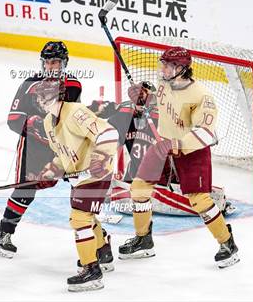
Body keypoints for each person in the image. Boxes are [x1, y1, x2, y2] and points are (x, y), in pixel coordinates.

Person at [118, 47, 240, 268]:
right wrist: (145, 98)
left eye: (167, 65)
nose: (161, 68)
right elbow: (160, 103)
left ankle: (227, 243)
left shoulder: (202, 96)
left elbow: (205, 132)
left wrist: (181, 144)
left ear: (181, 69)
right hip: (163, 144)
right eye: (162, 64)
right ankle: (143, 239)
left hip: (192, 151)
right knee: (138, 188)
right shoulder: (165, 83)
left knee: (199, 201)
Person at [0, 41, 82, 258]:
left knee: (80, 186)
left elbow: (74, 117)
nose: (52, 66)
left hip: (62, 147)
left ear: (65, 63)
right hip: (34, 147)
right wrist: (35, 125)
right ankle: (3, 235)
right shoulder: (29, 84)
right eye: (48, 62)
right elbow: (13, 119)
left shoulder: (74, 86)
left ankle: (95, 237)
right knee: (26, 190)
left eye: (56, 62)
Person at [35, 79, 118, 292]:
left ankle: (91, 271)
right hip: (79, 177)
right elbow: (63, 154)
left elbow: (109, 133)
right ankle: (102, 249)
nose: (39, 99)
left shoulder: (76, 112)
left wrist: (99, 157)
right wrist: (51, 170)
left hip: (96, 174)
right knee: (87, 216)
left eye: (42, 95)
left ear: (56, 95)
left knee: (79, 218)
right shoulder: (48, 121)